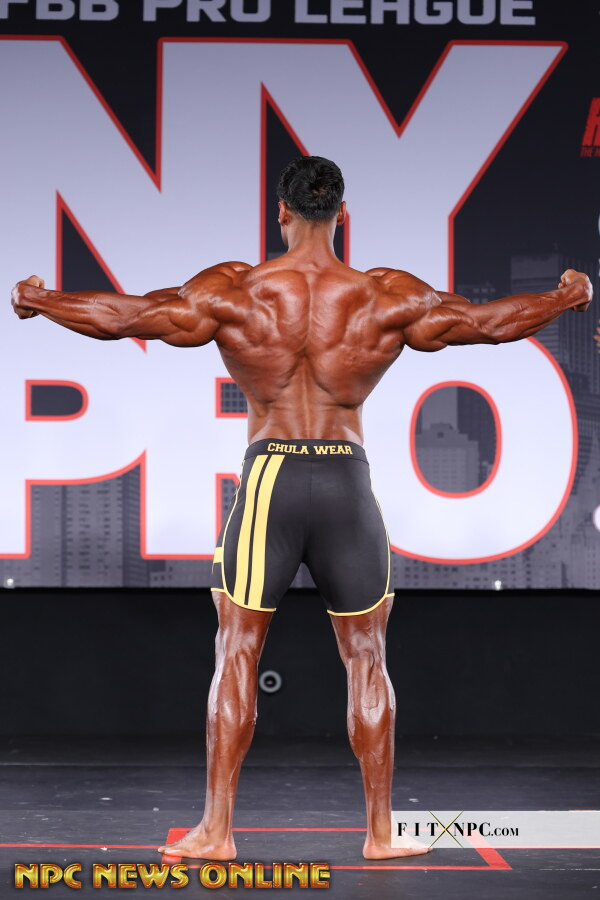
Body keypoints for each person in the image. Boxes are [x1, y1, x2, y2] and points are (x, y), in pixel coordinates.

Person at [11, 156, 593, 861]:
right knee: (368, 656)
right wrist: (565, 297)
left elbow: (131, 317)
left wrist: (42, 299)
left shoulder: (239, 290)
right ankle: (381, 834)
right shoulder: (384, 296)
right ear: (342, 215)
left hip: (272, 481)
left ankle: (216, 831)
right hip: (348, 485)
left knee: (237, 650)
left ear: (281, 212)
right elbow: (485, 323)